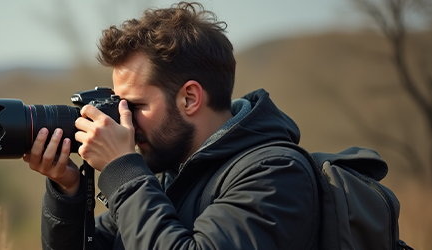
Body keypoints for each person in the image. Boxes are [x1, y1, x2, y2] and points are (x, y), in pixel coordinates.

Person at [25, 2, 320, 249]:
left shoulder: (275, 174)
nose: (124, 120)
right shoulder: (168, 178)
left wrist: (122, 170)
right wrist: (69, 191)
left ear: (190, 98)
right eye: (119, 104)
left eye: (136, 106)